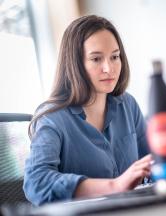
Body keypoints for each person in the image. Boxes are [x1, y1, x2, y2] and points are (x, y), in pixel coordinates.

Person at [23, 15, 152, 206]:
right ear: (75, 64)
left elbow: (152, 161)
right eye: (96, 59)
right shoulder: (52, 117)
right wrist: (114, 186)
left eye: (115, 57)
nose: (109, 68)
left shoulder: (127, 104)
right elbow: (36, 182)